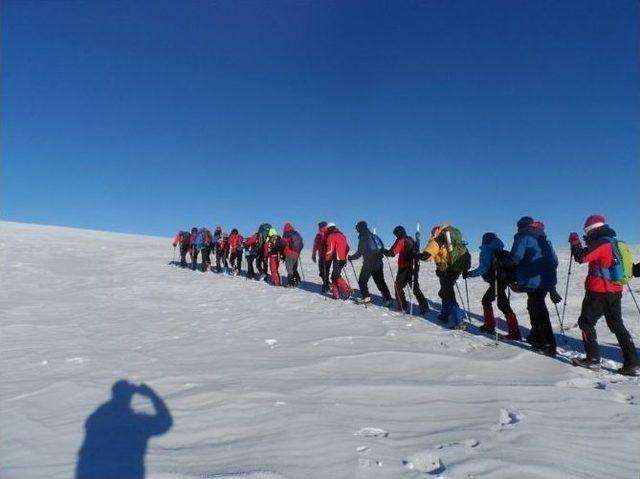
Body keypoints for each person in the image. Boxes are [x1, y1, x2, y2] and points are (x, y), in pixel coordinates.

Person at [569, 215, 639, 376]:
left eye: (586, 230)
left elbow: (581, 257)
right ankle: (633, 363)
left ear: (592, 229)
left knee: (586, 323)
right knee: (617, 325)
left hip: (598, 291)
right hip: (615, 290)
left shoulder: (601, 243)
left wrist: (574, 241)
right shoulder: (614, 242)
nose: (586, 234)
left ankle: (592, 360)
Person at [75, 380, 172, 479]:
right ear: (130, 396)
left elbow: (85, 454)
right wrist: (152, 396)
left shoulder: (97, 421)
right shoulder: (135, 422)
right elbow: (165, 422)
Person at [510, 216, 559, 356]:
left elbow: (515, 259)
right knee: (534, 306)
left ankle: (548, 344)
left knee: (539, 310)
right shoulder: (545, 240)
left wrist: (503, 264)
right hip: (547, 280)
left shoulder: (523, 238)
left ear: (521, 227)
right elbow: (555, 261)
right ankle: (536, 337)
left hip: (532, 281)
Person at [463, 232, 521, 339]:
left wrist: (470, 274)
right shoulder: (500, 249)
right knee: (499, 302)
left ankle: (493, 327)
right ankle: (512, 331)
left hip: (496, 280)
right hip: (503, 279)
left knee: (489, 301)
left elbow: (483, 269)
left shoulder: (486, 250)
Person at [417, 224, 470, 328]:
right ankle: (444, 316)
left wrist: (415, 255)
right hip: (456, 270)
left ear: (436, 232)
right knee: (444, 292)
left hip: (445, 271)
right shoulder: (455, 241)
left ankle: (458, 321)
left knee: (449, 295)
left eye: (432, 233)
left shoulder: (437, 240)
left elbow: (426, 257)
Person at [383, 225, 429, 314]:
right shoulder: (410, 239)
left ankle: (402, 307)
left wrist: (383, 251)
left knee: (398, 286)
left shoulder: (401, 240)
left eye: (396, 234)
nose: (395, 236)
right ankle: (424, 306)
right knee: (415, 288)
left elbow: (392, 253)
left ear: (398, 233)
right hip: (414, 266)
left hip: (405, 267)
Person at [348, 221, 393, 306]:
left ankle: (366, 298)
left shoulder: (363, 237)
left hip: (368, 263)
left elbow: (360, 252)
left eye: (357, 228)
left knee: (362, 281)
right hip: (379, 262)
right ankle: (388, 299)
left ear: (360, 228)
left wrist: (351, 257)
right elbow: (382, 247)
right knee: (380, 282)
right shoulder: (374, 236)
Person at [324, 223, 352, 299]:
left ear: (329, 229)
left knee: (336, 275)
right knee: (334, 275)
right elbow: (348, 247)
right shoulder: (342, 235)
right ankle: (335, 293)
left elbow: (330, 249)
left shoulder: (332, 236)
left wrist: (326, 259)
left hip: (337, 258)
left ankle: (347, 290)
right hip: (342, 259)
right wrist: (344, 255)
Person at [312, 221, 329, 292]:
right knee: (324, 271)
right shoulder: (328, 233)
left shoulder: (322, 234)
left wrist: (314, 254)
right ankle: (327, 283)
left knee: (323, 271)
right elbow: (315, 245)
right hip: (326, 256)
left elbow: (315, 245)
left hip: (324, 256)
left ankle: (326, 285)